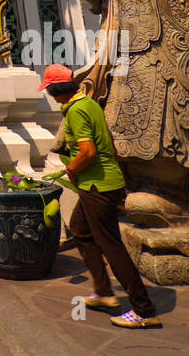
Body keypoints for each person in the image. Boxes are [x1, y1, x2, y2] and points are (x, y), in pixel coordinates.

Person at [40, 65, 160, 329]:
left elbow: (88, 151)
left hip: (98, 187)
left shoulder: (77, 111)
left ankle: (143, 309)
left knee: (111, 246)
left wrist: (71, 169)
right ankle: (104, 292)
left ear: (55, 90)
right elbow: (109, 146)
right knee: (81, 231)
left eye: (50, 91)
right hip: (100, 184)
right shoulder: (89, 103)